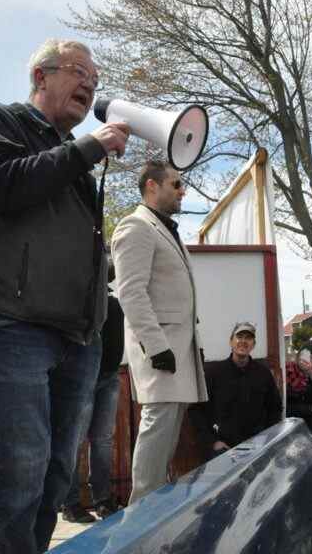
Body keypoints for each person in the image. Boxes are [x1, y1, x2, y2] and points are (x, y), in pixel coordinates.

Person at [0, 39, 130, 553]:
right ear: (40, 77)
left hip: (72, 337)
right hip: (6, 326)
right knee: (19, 484)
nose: (91, 83)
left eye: (95, 76)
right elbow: (1, 186)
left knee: (53, 482)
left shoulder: (69, 162)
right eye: (78, 71)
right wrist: (90, 147)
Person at [111, 160, 208, 504]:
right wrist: (156, 347)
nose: (183, 191)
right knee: (157, 432)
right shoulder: (135, 227)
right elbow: (131, 292)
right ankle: (139, 520)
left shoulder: (165, 229)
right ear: (152, 186)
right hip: (161, 352)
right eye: (176, 184)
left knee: (166, 438)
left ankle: (151, 516)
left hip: (179, 350)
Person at [62, 267, 125, 523]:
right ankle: (71, 504)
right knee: (76, 442)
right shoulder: (77, 307)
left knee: (103, 440)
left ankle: (103, 500)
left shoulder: (114, 306)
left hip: (109, 378)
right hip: (82, 380)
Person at [189, 322, 282, 460]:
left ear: (253, 345)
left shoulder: (263, 374)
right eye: (239, 337)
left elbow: (275, 408)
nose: (243, 341)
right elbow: (195, 410)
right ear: (231, 342)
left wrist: (266, 439)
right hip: (223, 451)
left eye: (248, 338)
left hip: (256, 451)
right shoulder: (213, 373)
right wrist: (212, 442)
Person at [285, 347, 312, 451]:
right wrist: (310, 408)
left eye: (308, 358)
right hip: (295, 434)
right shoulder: (288, 373)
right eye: (302, 356)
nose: (304, 361)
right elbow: (286, 408)